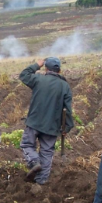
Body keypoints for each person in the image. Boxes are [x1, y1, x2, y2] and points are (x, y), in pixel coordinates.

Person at [19, 57, 74, 185]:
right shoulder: (65, 86)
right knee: (47, 152)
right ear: (59, 70)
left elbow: (23, 75)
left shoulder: (38, 79)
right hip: (52, 126)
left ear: (46, 68)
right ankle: (41, 181)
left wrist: (36, 65)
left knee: (27, 145)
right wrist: (66, 127)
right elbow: (67, 110)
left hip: (34, 122)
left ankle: (34, 161)